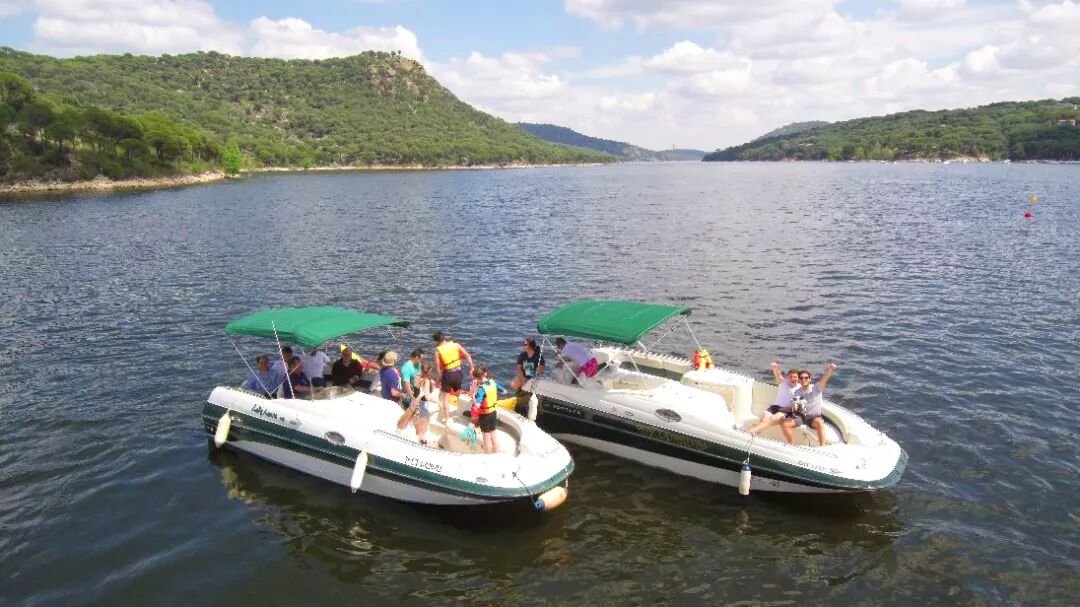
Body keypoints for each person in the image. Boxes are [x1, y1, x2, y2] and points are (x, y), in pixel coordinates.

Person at [782, 362, 838, 447]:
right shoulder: (797, 392)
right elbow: (795, 408)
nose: (804, 380)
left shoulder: (816, 388)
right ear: (799, 380)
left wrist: (830, 369)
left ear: (810, 379)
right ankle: (790, 445)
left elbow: (824, 379)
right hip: (801, 417)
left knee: (819, 422)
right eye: (801, 378)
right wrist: (788, 409)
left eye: (806, 378)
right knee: (785, 424)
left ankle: (822, 447)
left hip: (813, 417)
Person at [749, 362, 801, 437]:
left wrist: (785, 409)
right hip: (774, 407)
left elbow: (796, 407)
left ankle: (751, 432)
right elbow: (778, 375)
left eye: (795, 377)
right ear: (787, 377)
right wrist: (775, 368)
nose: (793, 379)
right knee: (764, 418)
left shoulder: (799, 389)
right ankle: (754, 434)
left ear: (798, 378)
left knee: (773, 418)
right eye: (791, 377)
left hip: (786, 411)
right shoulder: (783, 382)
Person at [432, 332, 474, 421]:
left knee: (445, 399)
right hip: (458, 373)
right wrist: (471, 368)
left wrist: (438, 380)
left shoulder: (437, 351)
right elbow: (467, 356)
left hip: (448, 375)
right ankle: (461, 413)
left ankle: (447, 419)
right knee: (458, 393)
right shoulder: (455, 345)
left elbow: (437, 369)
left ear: (436, 341)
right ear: (444, 338)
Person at [470, 366, 500, 454]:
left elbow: (477, 405)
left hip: (485, 416)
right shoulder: (492, 382)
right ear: (485, 374)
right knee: (493, 435)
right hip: (493, 412)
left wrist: (473, 396)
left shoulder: (481, 389)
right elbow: (503, 390)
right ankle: (496, 452)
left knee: (486, 437)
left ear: (477, 378)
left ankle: (489, 456)